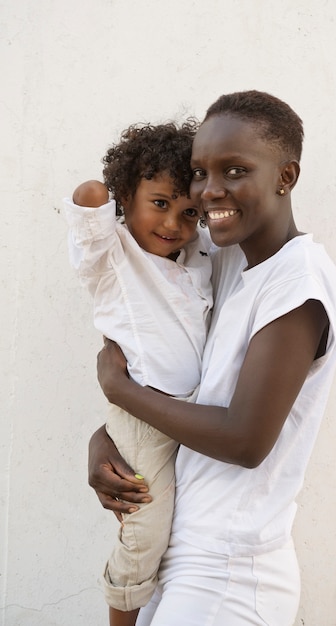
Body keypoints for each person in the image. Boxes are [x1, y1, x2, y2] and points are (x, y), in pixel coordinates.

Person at [88, 90, 336, 626]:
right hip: (185, 554)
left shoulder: (298, 282)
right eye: (200, 172)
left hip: (229, 573)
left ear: (285, 176)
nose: (208, 191)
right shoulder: (222, 262)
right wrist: (106, 438)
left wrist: (122, 391)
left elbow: (244, 439)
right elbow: (176, 373)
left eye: (233, 170)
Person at [64, 121, 213, 626]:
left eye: (189, 211)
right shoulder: (115, 258)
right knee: (145, 528)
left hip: (190, 414)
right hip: (145, 413)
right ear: (127, 198)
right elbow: (89, 214)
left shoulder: (195, 261)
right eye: (159, 203)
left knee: (173, 528)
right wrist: (99, 199)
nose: (174, 222)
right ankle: (121, 618)